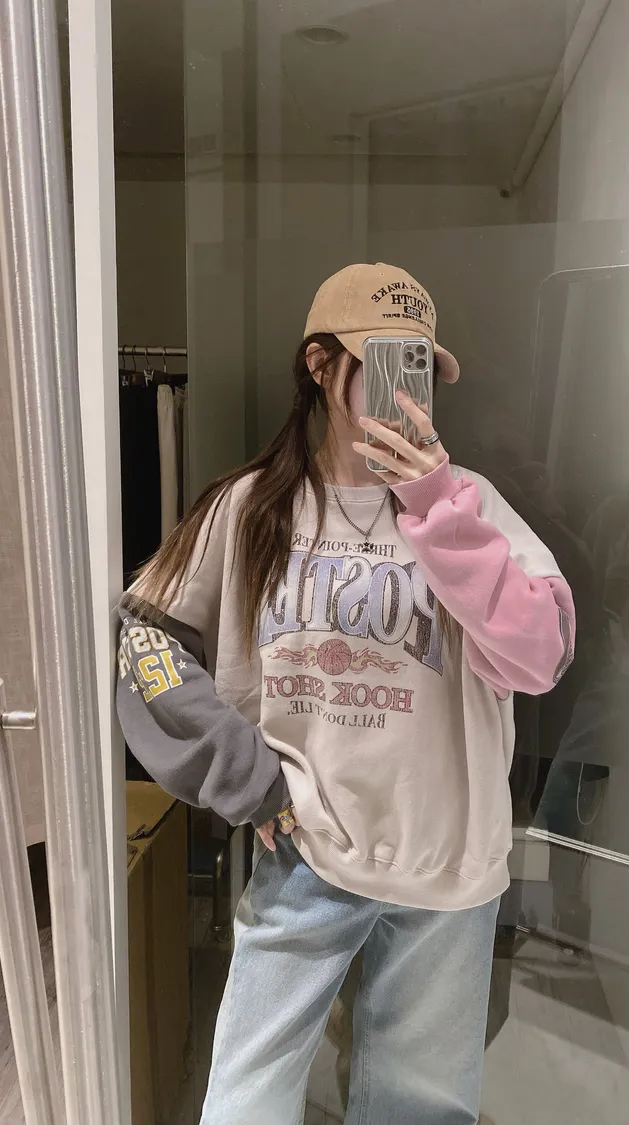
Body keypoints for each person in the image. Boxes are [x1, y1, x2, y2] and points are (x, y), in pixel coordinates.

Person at [116, 262, 575, 1125]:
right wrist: (242, 773)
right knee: (245, 1101)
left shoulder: (470, 505)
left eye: (420, 368)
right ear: (321, 366)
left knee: (418, 1110)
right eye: (386, 363)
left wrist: (435, 507)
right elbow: (145, 643)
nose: (408, 393)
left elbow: (540, 655)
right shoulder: (251, 507)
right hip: (306, 850)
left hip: (448, 866)